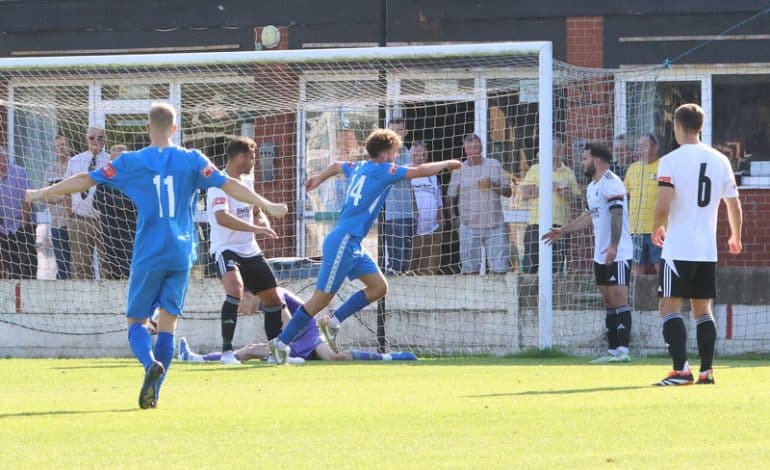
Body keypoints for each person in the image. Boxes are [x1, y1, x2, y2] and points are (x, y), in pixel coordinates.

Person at [26, 103, 288, 408]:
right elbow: (228, 183)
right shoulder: (192, 159)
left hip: (149, 252)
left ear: (148, 129)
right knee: (168, 325)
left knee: (136, 323)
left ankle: (149, 363)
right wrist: (266, 205)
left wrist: (41, 194)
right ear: (175, 129)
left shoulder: (131, 161)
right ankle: (155, 393)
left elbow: (85, 179)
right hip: (179, 253)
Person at [267, 128, 461, 364]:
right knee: (320, 300)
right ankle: (280, 343)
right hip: (343, 242)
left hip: (353, 244)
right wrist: (448, 163)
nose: (397, 156)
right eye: (396, 151)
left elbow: (337, 164)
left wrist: (318, 179)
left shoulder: (359, 167)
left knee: (379, 287)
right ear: (387, 153)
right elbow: (419, 171)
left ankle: (333, 321)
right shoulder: (384, 170)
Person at [651, 103, 743, 386]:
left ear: (677, 127)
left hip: (678, 247)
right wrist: (736, 235)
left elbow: (664, 201)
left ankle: (680, 370)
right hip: (706, 249)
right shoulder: (720, 160)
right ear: (701, 126)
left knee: (669, 307)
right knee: (703, 309)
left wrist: (657, 226)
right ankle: (706, 371)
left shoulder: (670, 160)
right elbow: (734, 204)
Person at [542, 142, 634, 363]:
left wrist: (613, 246)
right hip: (600, 254)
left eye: (584, 159)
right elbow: (588, 217)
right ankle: (612, 349)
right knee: (608, 300)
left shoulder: (612, 183)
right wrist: (563, 230)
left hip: (618, 252)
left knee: (619, 298)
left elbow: (617, 215)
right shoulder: (592, 186)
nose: (581, 163)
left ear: (596, 161)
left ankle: (623, 350)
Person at [206, 136, 287, 365]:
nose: (254, 161)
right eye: (252, 157)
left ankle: (275, 352)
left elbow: (254, 210)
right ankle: (226, 352)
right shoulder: (218, 183)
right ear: (241, 157)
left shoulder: (247, 181)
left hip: (249, 249)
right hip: (226, 250)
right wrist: (255, 229)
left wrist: (263, 222)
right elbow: (222, 218)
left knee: (273, 298)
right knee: (235, 289)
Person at [178, 288, 416, 363]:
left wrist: (280, 350)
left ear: (248, 294)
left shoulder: (271, 296)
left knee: (336, 358)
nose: (239, 308)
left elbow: (290, 323)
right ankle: (196, 358)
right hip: (293, 340)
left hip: (307, 333)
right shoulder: (263, 300)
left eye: (239, 303)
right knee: (250, 350)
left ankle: (392, 357)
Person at [447, 133, 512, 274]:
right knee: (470, 271)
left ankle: (498, 295)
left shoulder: (494, 165)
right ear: (465, 150)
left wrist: (493, 185)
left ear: (481, 148)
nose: (472, 151)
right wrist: (453, 218)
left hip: (495, 225)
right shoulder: (459, 169)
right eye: (469, 148)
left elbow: (508, 192)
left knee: (499, 270)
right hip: (469, 225)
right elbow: (451, 196)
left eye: (476, 147)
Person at [520, 139, 581, 274]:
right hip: (537, 224)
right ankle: (530, 294)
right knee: (532, 266)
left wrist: (567, 194)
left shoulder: (568, 172)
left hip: (560, 226)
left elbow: (576, 198)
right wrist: (547, 186)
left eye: (557, 150)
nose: (556, 154)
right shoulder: (536, 169)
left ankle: (554, 294)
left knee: (556, 267)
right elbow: (525, 194)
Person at [65, 126, 110, 279]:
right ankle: (81, 303)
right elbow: (67, 190)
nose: (96, 141)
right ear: (86, 139)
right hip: (79, 220)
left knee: (108, 265)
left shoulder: (111, 161)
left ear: (105, 141)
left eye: (100, 138)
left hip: (103, 221)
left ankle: (106, 301)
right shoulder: (75, 161)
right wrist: (69, 216)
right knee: (80, 266)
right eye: (92, 137)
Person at [94, 144, 137, 279]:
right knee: (112, 271)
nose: (117, 164)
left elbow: (135, 202)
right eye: (114, 161)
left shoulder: (134, 178)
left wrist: (112, 201)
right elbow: (96, 202)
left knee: (131, 269)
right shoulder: (105, 179)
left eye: (120, 160)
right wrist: (120, 201)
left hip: (130, 233)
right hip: (110, 234)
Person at [624, 133, 662, 274]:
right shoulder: (633, 169)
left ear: (655, 147)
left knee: (661, 267)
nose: (640, 149)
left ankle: (663, 296)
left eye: (644, 146)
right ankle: (638, 297)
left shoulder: (663, 166)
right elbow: (624, 195)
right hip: (635, 230)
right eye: (638, 146)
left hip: (658, 229)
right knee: (636, 269)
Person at [382, 118, 415, 274]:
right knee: (396, 260)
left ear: (406, 132)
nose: (395, 134)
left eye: (399, 130)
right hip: (392, 214)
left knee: (408, 260)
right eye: (391, 130)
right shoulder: (383, 156)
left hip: (411, 213)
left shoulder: (412, 153)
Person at [0, 146, 37, 279]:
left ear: (5, 156)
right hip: (4, 229)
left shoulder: (19, 172)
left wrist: (24, 223)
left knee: (28, 265)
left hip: (23, 226)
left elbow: (28, 197)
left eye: (0, 156)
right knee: (11, 266)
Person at [408, 141, 443, 275]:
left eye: (423, 153)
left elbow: (439, 201)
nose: (420, 156)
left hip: (432, 230)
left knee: (428, 270)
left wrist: (440, 224)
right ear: (410, 154)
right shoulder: (406, 171)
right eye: (416, 153)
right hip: (413, 230)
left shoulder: (432, 175)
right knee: (410, 267)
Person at [43, 135, 73, 279]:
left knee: (77, 264)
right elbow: (47, 197)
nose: (61, 147)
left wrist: (59, 194)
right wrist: (66, 194)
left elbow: (80, 192)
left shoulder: (76, 166)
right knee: (61, 264)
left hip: (75, 223)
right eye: (58, 145)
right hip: (56, 224)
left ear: (70, 146)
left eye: (63, 144)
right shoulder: (49, 171)